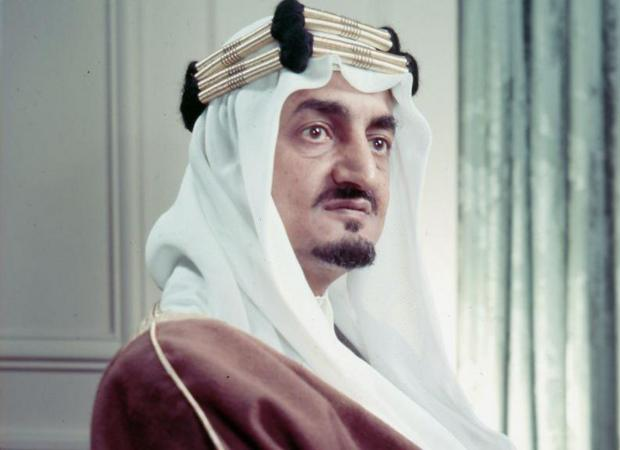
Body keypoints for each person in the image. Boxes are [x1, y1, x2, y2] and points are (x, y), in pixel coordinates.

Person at [91, 1, 513, 449]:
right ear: (235, 163)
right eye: (317, 132)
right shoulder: (174, 377)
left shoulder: (356, 356)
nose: (364, 172)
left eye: (378, 141)